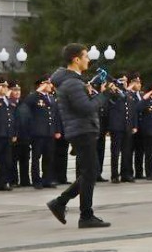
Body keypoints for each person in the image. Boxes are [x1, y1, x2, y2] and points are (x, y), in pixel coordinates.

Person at [45, 44, 109, 229]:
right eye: (86, 56)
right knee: (90, 172)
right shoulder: (72, 83)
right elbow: (86, 108)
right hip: (82, 130)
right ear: (76, 59)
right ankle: (83, 214)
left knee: (90, 172)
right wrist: (104, 95)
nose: (88, 60)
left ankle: (62, 203)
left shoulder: (74, 81)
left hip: (82, 129)